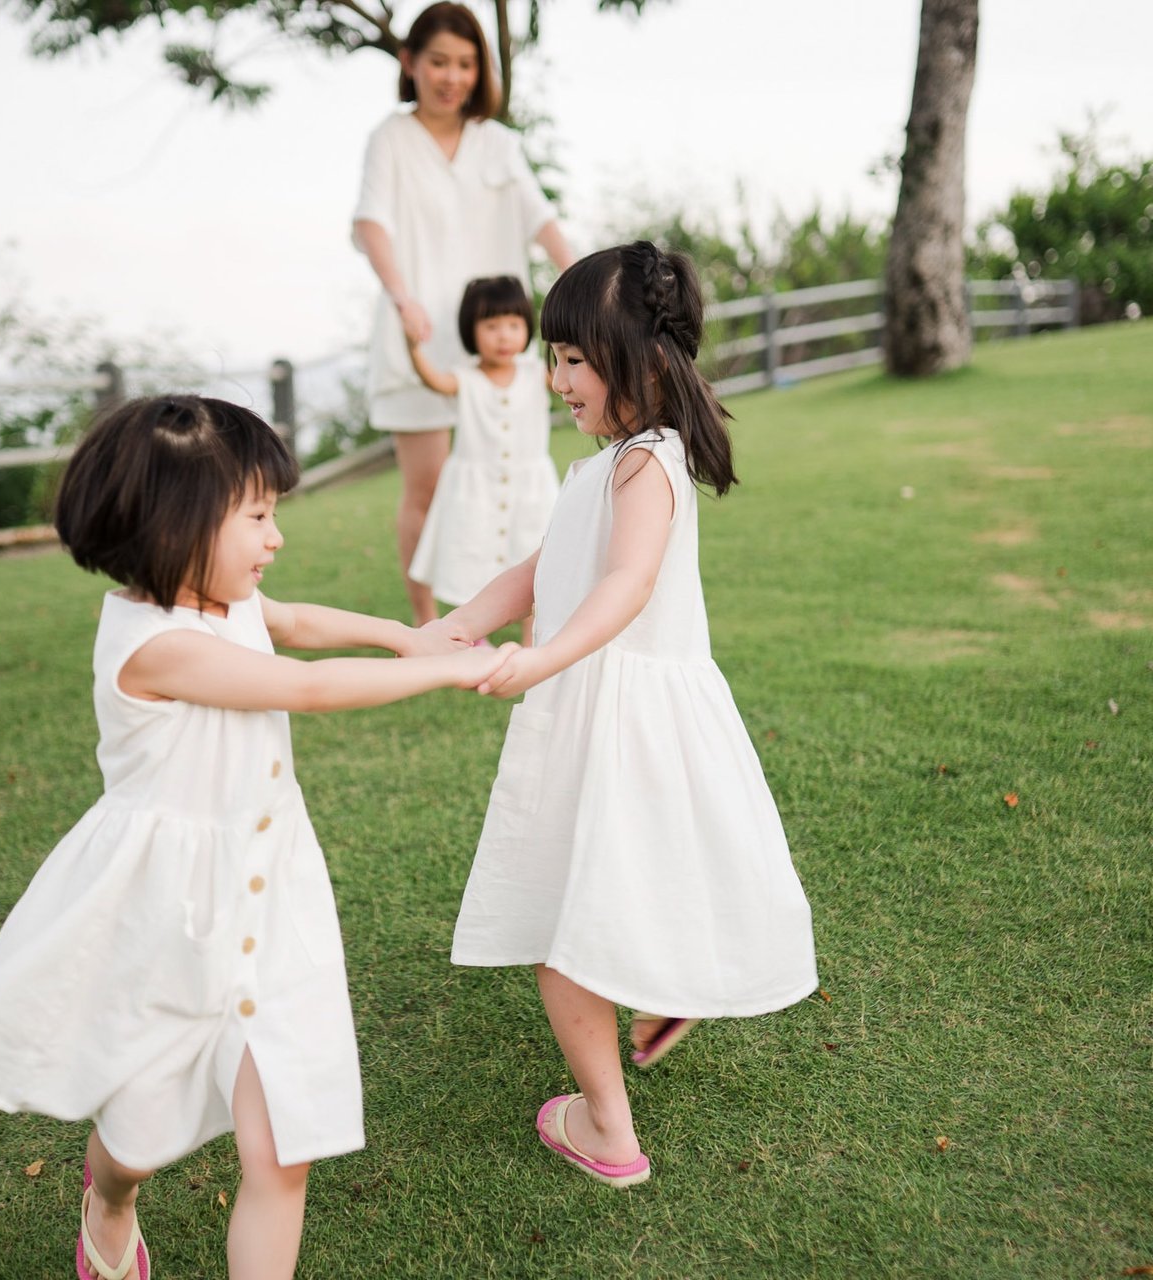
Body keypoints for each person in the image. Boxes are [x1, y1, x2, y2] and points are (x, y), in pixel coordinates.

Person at [0, 396, 511, 1280]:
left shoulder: (230, 603)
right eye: (256, 516)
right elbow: (303, 684)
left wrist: (402, 634)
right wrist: (449, 667)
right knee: (139, 1132)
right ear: (176, 524)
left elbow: (293, 624)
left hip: (272, 893)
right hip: (169, 917)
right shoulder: (153, 645)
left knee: (280, 1146)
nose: (275, 537)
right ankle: (109, 1198)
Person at [428, 243, 818, 1187]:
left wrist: (543, 658)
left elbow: (627, 585)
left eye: (572, 358)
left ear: (640, 361)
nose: (555, 379)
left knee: (561, 919)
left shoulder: (647, 465)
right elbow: (544, 564)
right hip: (618, 706)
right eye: (553, 358)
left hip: (613, 705)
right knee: (623, 875)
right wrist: (462, 623)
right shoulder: (616, 462)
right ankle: (663, 986)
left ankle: (609, 1129)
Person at [351, 0, 574, 626]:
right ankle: (425, 622)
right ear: (409, 63)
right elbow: (372, 223)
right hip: (417, 339)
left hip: (496, 343)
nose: (453, 77)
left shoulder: (497, 144)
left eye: (466, 64)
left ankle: (523, 612)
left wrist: (583, 276)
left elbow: (542, 220)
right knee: (425, 489)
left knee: (518, 483)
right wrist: (402, 296)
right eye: (440, 62)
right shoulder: (390, 139)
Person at [405, 275, 558, 629]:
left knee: (536, 559)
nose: (503, 335)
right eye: (491, 326)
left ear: (527, 328)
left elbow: (577, 376)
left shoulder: (538, 373)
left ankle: (531, 639)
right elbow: (434, 381)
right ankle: (474, 632)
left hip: (530, 489)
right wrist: (413, 348)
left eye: (513, 324)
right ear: (470, 330)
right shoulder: (465, 378)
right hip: (475, 490)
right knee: (471, 558)